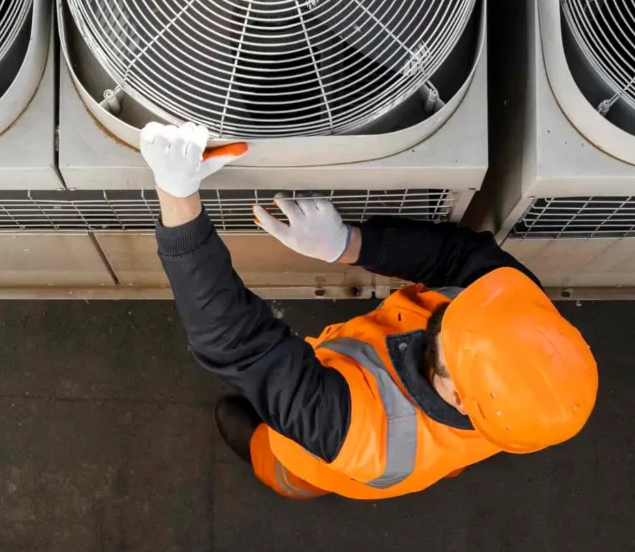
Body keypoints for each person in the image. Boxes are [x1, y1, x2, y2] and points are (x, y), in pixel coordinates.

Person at [140, 121, 598, 501]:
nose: (452, 305)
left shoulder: (360, 434)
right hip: (437, 439)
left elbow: (236, 344)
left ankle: (270, 461)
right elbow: (459, 258)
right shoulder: (517, 313)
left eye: (453, 332)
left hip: (324, 457)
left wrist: (177, 197)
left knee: (287, 466)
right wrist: (349, 244)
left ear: (458, 395)